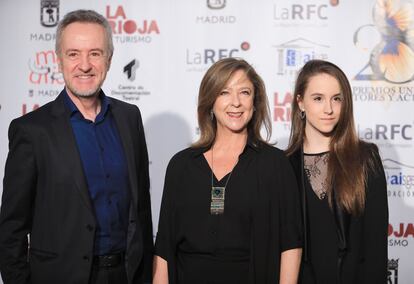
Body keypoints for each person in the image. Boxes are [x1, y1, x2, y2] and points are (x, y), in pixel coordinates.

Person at [0, 10, 153, 284]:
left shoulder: (130, 118)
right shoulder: (32, 130)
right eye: (73, 54)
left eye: (95, 53)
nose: (85, 65)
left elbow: (141, 209)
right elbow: (12, 228)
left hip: (126, 275)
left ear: (109, 59)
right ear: (59, 60)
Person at [153, 58, 302, 284]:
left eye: (244, 92)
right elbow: (164, 246)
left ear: (255, 101)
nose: (236, 103)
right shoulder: (181, 166)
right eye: (224, 92)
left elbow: (291, 243)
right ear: (210, 101)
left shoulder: (274, 164)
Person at [286, 59, 388, 284]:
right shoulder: (284, 165)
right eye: (318, 99)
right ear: (301, 103)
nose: (329, 109)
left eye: (336, 99)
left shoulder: (365, 158)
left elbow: (375, 249)